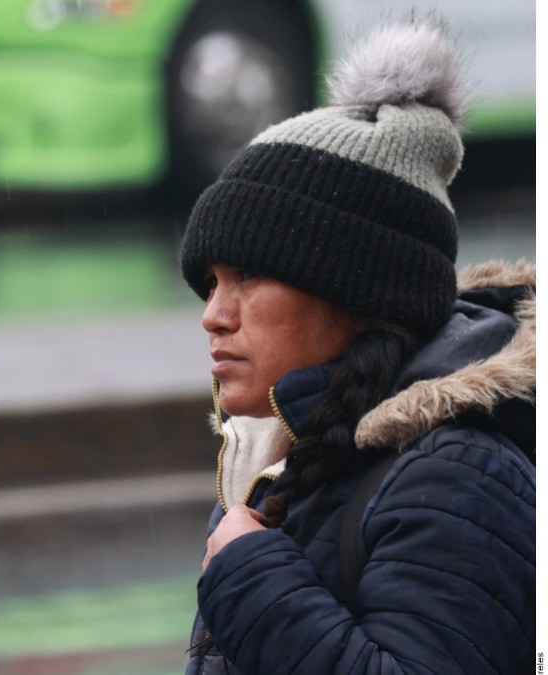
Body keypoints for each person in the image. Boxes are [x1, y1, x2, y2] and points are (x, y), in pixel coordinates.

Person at [178, 18, 534, 675]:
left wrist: (254, 581)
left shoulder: (457, 477)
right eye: (211, 283)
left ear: (355, 291)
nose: (214, 316)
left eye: (248, 274)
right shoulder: (276, 465)